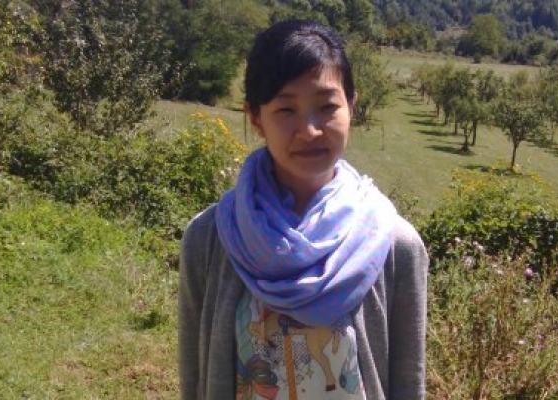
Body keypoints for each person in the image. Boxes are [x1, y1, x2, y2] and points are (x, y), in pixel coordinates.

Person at [179, 19, 428, 400]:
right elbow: (194, 377)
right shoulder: (210, 239)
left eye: (327, 106)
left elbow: (408, 383)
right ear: (255, 117)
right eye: (286, 109)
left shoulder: (395, 246)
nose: (309, 130)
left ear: (352, 107)